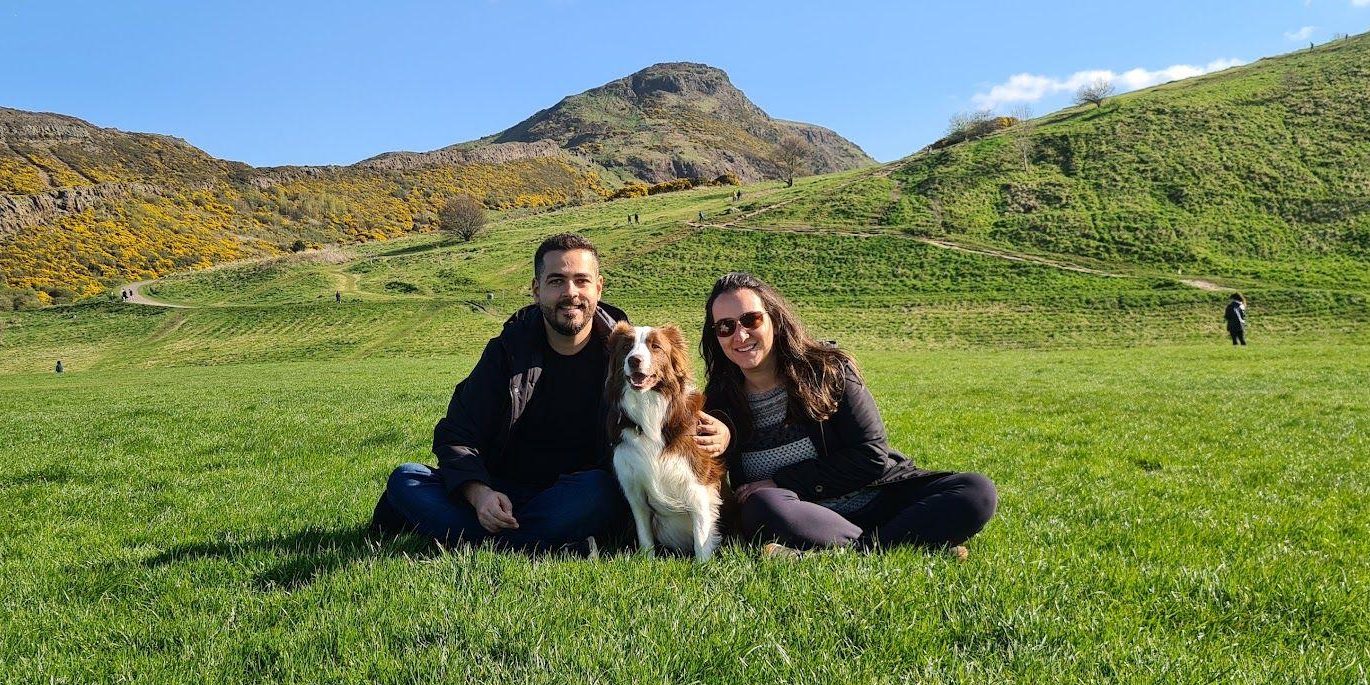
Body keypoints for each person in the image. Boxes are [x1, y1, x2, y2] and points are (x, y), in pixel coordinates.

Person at [374, 234, 729, 551]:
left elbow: (672, 405)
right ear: (536, 289)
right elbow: (456, 433)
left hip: (575, 496)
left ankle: (475, 538)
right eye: (556, 281)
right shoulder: (506, 351)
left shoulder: (624, 355)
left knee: (600, 493)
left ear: (599, 288)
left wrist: (724, 430)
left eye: (581, 281)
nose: (570, 293)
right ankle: (542, 543)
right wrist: (479, 493)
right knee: (406, 478)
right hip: (502, 490)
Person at [701, 272, 997, 557]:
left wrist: (783, 481)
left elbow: (871, 454)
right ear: (717, 337)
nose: (740, 334)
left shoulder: (829, 371)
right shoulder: (717, 402)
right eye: (725, 327)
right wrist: (726, 436)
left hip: (878, 498)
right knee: (760, 505)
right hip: (801, 517)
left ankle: (854, 550)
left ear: (774, 320)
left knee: (976, 491)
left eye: (750, 319)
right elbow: (700, 472)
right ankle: (906, 541)